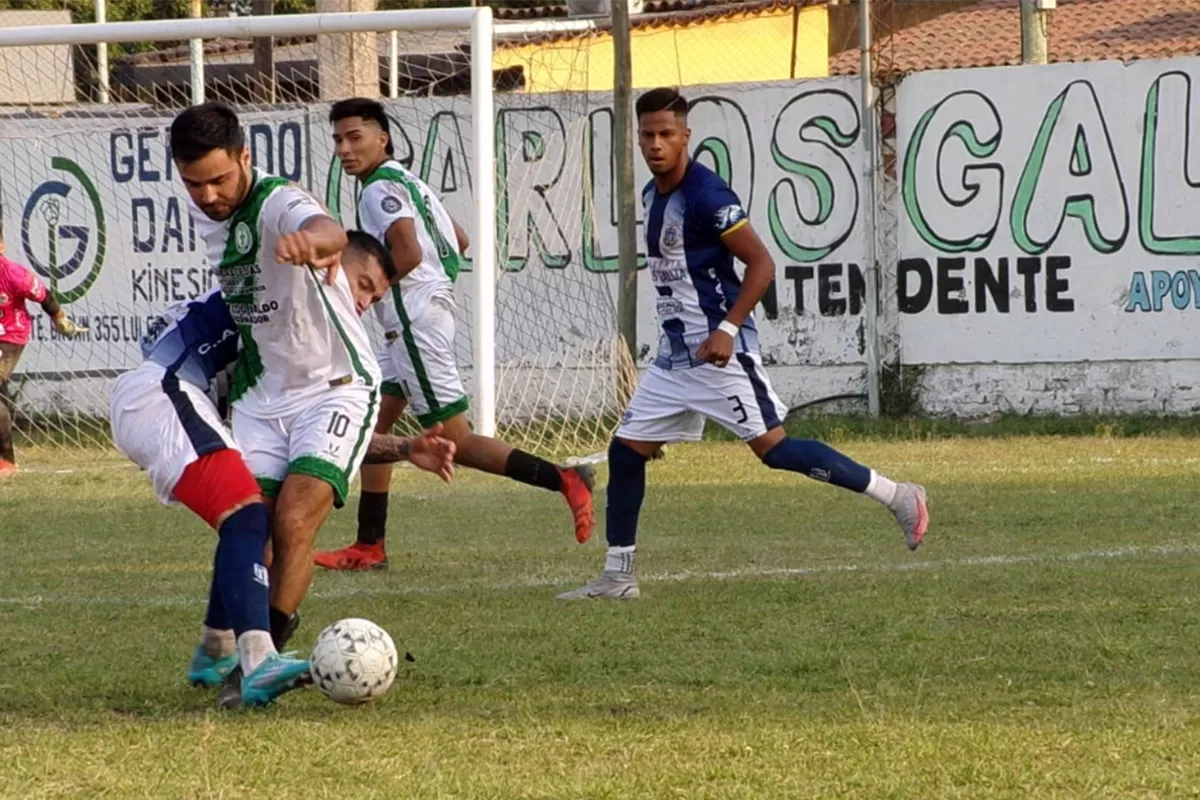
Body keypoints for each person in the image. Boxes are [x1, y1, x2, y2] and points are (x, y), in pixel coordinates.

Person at [556, 88, 930, 601]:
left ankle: (899, 495)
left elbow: (762, 264)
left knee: (775, 451)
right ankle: (619, 576)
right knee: (625, 453)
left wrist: (727, 330)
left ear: (686, 136)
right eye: (647, 135)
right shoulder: (652, 195)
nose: (656, 144)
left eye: (667, 134)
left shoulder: (709, 195)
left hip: (718, 352)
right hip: (674, 359)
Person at [111, 286, 456, 708]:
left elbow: (318, 433)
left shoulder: (289, 335)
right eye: (362, 283)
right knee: (247, 517)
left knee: (245, 520)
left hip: (163, 398)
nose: (363, 302)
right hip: (161, 393)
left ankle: (216, 651)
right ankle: (258, 663)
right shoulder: (277, 297)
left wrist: (403, 449)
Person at [313, 98, 596, 572]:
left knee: (455, 440)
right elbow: (457, 239)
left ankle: (565, 478)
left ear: (382, 137)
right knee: (373, 424)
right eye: (338, 139)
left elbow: (405, 251)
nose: (344, 147)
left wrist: (363, 293)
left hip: (411, 323)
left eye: (355, 136)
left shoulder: (376, 188)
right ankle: (369, 544)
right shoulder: (410, 182)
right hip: (421, 315)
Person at [169, 101, 386, 654]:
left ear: (245, 156)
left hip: (333, 385)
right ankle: (222, 645)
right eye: (194, 184)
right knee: (247, 528)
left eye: (219, 179)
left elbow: (326, 227)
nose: (209, 195)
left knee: (293, 518)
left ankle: (261, 660)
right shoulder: (209, 207)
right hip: (260, 395)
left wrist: (315, 243)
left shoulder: (277, 201)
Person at [0, 227, 87, 477]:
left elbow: (45, 296)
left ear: (2, 247)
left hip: (11, 336)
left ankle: (7, 461)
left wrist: (60, 319)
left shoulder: (15, 275)